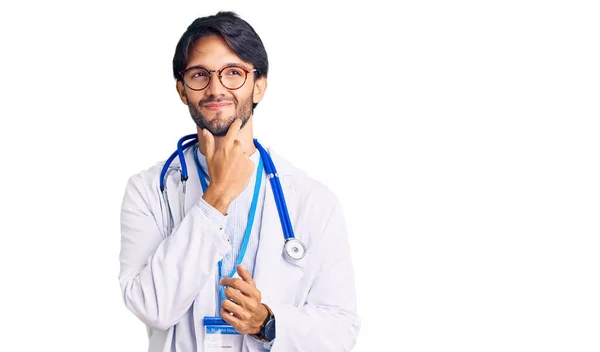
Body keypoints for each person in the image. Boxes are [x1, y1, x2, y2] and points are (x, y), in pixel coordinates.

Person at [119, 11, 360, 352]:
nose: (216, 88)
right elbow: (152, 307)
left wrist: (266, 321)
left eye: (233, 73)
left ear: (259, 86)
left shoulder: (312, 200)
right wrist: (216, 198)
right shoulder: (149, 191)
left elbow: (341, 328)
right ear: (181, 90)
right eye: (200, 74)